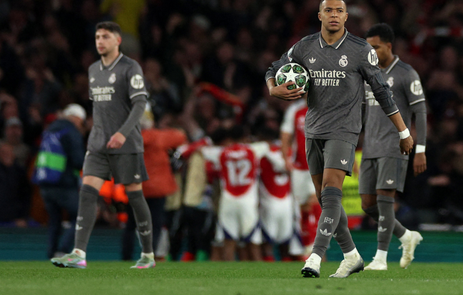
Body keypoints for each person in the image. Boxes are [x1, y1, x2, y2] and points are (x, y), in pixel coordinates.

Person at [266, 0, 413, 279]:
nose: (334, 14)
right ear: (320, 15)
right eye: (328, 10)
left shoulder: (361, 50)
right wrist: (273, 88)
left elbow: (382, 92)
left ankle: (315, 257)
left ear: (347, 17)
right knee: (326, 200)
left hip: (344, 130)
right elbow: (273, 68)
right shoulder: (304, 47)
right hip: (313, 129)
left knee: (331, 192)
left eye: (340, 10)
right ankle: (352, 255)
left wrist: (403, 131)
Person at [51, 21, 156, 270]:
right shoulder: (93, 70)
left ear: (117, 40)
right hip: (98, 145)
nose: (100, 41)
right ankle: (78, 253)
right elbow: (101, 107)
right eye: (97, 37)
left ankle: (149, 255)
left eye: (105, 37)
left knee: (135, 197)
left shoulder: (131, 68)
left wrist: (121, 133)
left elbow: (139, 105)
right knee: (87, 193)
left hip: (126, 143)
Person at [360, 23, 427, 270]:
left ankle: (380, 258)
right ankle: (406, 236)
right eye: (368, 47)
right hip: (369, 146)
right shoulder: (367, 73)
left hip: (395, 145)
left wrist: (420, 149)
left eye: (375, 47)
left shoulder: (406, 74)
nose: (371, 51)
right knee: (368, 204)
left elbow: (420, 113)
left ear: (389, 46)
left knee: (386, 199)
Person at [199, 126, 285, 261]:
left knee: (228, 241)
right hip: (248, 201)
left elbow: (202, 150)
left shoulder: (221, 152)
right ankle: (260, 277)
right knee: (253, 241)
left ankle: (229, 278)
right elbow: (268, 145)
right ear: (245, 137)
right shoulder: (253, 149)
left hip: (228, 200)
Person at [122, 109, 186, 260]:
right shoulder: (158, 136)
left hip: (135, 187)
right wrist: (162, 127)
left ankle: (126, 257)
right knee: (155, 225)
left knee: (131, 225)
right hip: (157, 189)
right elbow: (180, 137)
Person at [37, 103, 87, 259]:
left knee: (55, 220)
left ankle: (51, 253)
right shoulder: (71, 131)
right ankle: (63, 250)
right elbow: (78, 160)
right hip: (63, 184)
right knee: (81, 216)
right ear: (77, 118)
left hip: (45, 183)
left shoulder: (50, 130)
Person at [281, 98, 318, 257]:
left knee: (313, 205)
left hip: (318, 166)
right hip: (299, 168)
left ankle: (313, 248)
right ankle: (304, 248)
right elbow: (286, 134)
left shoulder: (326, 108)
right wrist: (285, 158)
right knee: (301, 209)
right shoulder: (295, 110)